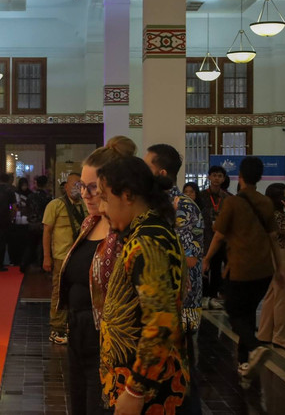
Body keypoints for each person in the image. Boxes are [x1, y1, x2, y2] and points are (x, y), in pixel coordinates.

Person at [97, 156, 188, 414]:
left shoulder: (147, 242)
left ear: (127, 195)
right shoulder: (151, 231)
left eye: (105, 197)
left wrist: (135, 390)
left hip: (150, 393)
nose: (102, 208)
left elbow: (160, 321)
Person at [57, 136, 135, 415]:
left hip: (109, 341)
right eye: (82, 186)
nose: (86, 194)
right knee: (78, 403)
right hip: (79, 332)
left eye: (93, 187)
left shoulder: (128, 231)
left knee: (99, 407)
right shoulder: (90, 222)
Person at [202, 157, 285, 383]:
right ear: (259, 177)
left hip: (240, 268)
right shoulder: (266, 202)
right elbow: (273, 237)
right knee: (247, 313)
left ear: (239, 175)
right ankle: (244, 362)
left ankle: (256, 346)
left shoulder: (232, 202)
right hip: (264, 269)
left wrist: (207, 258)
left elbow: (218, 235)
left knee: (234, 310)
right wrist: (278, 270)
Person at [144, 144, 204, 415]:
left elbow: (188, 259)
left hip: (180, 303)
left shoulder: (184, 206)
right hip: (160, 301)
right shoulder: (153, 204)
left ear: (162, 172)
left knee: (181, 369)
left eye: (148, 168)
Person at [43, 172, 87, 344]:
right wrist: (47, 257)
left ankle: (71, 325)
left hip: (79, 257)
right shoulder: (55, 205)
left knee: (76, 292)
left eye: (80, 185)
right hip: (61, 257)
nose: (77, 188)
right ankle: (57, 328)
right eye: (74, 185)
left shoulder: (84, 206)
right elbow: (47, 231)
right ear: (66, 186)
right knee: (59, 292)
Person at [257, 183, 285, 350]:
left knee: (271, 296)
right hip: (282, 256)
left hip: (273, 256)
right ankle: (281, 336)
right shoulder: (278, 216)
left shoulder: (272, 214)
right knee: (283, 298)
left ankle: (265, 333)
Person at [199, 165, 229, 309]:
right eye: (214, 175)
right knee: (204, 267)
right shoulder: (201, 196)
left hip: (220, 238)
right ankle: (203, 296)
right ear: (209, 177)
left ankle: (212, 296)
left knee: (217, 268)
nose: (217, 178)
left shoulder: (227, 197)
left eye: (220, 176)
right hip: (204, 236)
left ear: (223, 179)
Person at [22, 175, 53, 273]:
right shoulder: (48, 197)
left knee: (30, 246)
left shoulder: (31, 196)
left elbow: (27, 209)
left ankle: (23, 265)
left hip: (32, 223)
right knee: (42, 246)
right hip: (43, 224)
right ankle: (41, 265)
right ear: (46, 184)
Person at [10, 177, 32, 266]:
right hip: (18, 219)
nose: (24, 187)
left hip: (26, 219)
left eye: (25, 185)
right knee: (18, 240)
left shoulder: (30, 194)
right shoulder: (16, 193)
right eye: (23, 185)